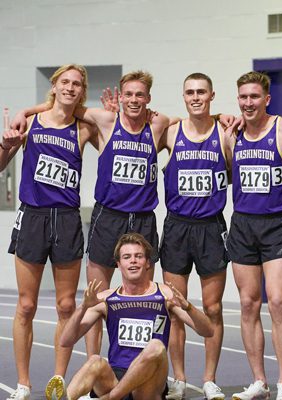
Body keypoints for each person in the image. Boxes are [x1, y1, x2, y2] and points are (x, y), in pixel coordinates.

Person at [12, 71, 176, 360]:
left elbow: (194, 123)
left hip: (143, 219)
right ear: (121, 97)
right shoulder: (105, 120)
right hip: (107, 216)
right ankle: (93, 369)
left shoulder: (159, 123)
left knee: (145, 298)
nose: (134, 99)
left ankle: (143, 367)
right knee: (95, 298)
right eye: (129, 94)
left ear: (148, 99)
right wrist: (25, 111)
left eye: (140, 95)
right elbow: (65, 106)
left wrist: (224, 117)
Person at [1, 64, 98, 400]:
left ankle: (57, 378)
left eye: (77, 84)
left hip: (68, 220)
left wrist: (32, 105)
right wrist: (5, 144)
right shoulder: (30, 123)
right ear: (54, 86)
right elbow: (0, 164)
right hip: (33, 218)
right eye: (65, 82)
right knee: (26, 305)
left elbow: (106, 120)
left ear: (82, 91)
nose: (70, 88)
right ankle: (24, 383)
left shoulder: (83, 128)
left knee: (66, 305)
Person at [226, 71, 282, 400]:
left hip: (277, 223)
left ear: (266, 99)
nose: (248, 103)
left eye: (254, 97)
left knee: (277, 302)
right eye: (243, 97)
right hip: (243, 225)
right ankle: (259, 381)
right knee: (248, 304)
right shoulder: (232, 132)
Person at [43, 232, 213, 400]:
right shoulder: (106, 299)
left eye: (138, 256)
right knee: (95, 360)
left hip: (149, 382)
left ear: (147, 263)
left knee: (155, 346)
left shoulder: (165, 294)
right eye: (127, 257)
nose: (133, 260)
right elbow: (65, 340)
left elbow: (207, 331)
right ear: (118, 264)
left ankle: (110, 398)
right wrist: (83, 307)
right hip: (115, 378)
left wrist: (188, 307)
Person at [160, 73, 231, 400]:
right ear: (183, 96)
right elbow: (140, 131)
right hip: (177, 227)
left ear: (212, 95)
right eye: (190, 92)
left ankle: (209, 379)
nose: (196, 97)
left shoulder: (225, 133)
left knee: (212, 307)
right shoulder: (171, 132)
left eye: (201, 91)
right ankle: (178, 379)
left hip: (211, 227)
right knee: (174, 306)